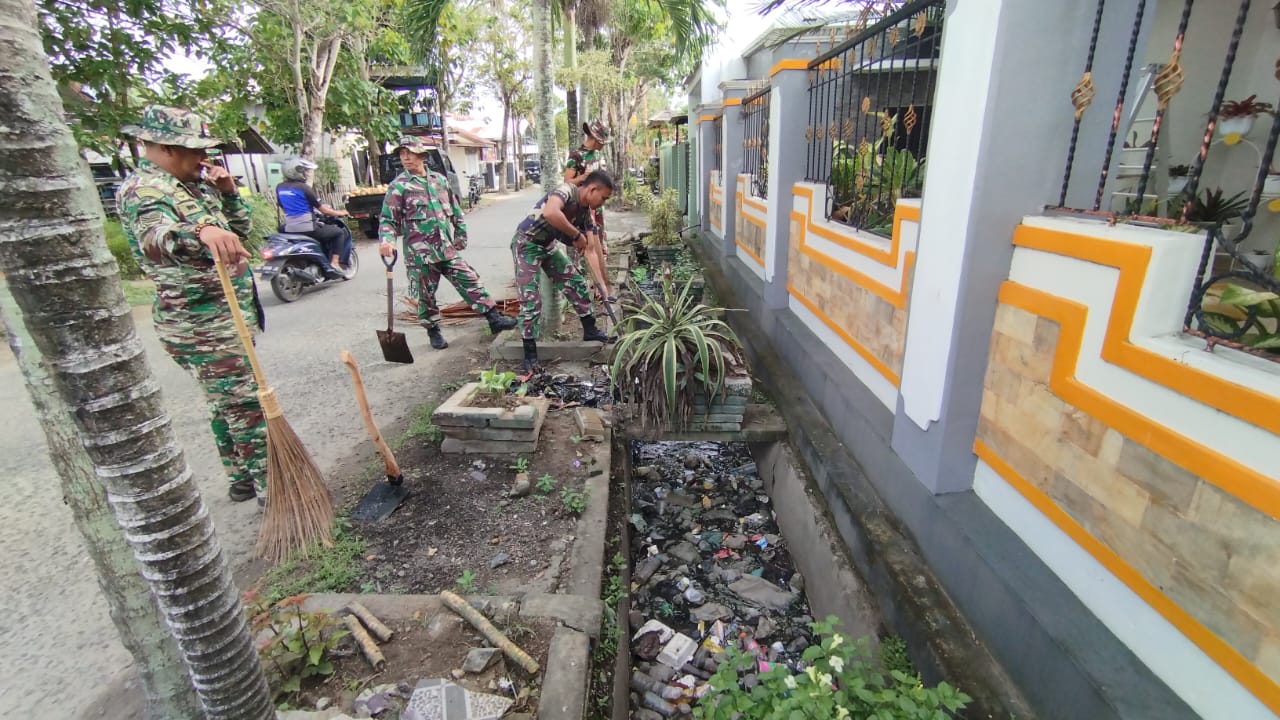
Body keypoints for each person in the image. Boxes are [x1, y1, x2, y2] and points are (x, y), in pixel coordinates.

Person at [115, 105, 267, 503]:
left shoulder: (193, 186)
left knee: (225, 403)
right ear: (163, 148)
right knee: (247, 406)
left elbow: (239, 234)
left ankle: (241, 477)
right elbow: (157, 238)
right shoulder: (144, 191)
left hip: (226, 314)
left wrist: (230, 195)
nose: (204, 158)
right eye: (194, 151)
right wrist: (199, 230)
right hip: (199, 324)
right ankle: (276, 490)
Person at [377, 136, 516, 349]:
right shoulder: (399, 186)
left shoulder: (439, 181)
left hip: (446, 248)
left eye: (410, 153)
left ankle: (493, 318)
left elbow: (455, 209)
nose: (406, 157)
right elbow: (388, 219)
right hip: (420, 254)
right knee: (426, 296)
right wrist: (387, 241)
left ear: (422, 155)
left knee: (469, 280)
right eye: (402, 154)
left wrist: (460, 233)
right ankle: (433, 330)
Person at [512, 170, 615, 373]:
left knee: (575, 282)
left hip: (548, 246)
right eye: (603, 198)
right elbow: (551, 213)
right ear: (592, 189)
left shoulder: (586, 213)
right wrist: (575, 235)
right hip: (527, 244)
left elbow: (591, 250)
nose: (602, 203)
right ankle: (530, 353)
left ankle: (590, 329)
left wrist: (603, 286)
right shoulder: (566, 191)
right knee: (530, 299)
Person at [562, 121, 613, 300]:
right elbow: (567, 181)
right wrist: (583, 178)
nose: (602, 144)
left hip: (597, 208)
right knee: (587, 245)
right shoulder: (576, 156)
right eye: (601, 141)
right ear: (594, 138)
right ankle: (587, 288)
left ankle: (600, 287)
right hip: (583, 208)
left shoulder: (598, 155)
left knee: (600, 242)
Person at [275, 157, 350, 276]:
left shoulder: (279, 188)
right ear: (295, 171)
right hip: (307, 228)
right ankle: (335, 263)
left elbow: (283, 206)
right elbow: (324, 210)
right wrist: (341, 213)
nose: (304, 173)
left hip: (289, 228)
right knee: (338, 233)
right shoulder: (304, 188)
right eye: (303, 170)